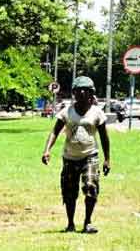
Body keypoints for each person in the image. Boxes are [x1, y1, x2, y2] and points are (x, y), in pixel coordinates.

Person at [42, 76, 111, 233]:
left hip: (90, 156)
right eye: (78, 90)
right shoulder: (66, 112)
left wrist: (107, 159)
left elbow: (104, 137)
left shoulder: (97, 113)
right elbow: (55, 132)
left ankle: (87, 222)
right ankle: (70, 224)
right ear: (73, 93)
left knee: (91, 186)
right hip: (70, 157)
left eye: (85, 90)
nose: (81, 93)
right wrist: (47, 150)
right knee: (69, 191)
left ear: (91, 93)